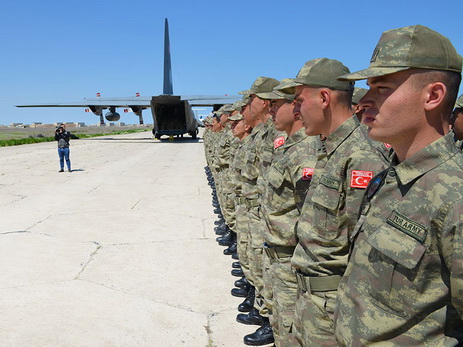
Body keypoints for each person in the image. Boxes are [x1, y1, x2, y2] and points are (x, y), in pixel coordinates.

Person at [334, 25, 463, 345]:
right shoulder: (390, 176)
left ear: (433, 95)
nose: (364, 101)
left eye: (382, 88)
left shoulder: (455, 197)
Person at [287, 58, 389, 346]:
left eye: (299, 100)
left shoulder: (361, 156)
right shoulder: (330, 149)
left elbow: (364, 253)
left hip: (332, 310)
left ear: (323, 98)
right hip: (311, 300)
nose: (295, 109)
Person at [258, 79, 319, 346]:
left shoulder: (306, 151)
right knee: (282, 326)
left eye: (276, 105)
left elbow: (311, 220)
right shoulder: (290, 147)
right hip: (279, 256)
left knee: (290, 332)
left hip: (292, 262)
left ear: (295, 109)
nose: (271, 111)